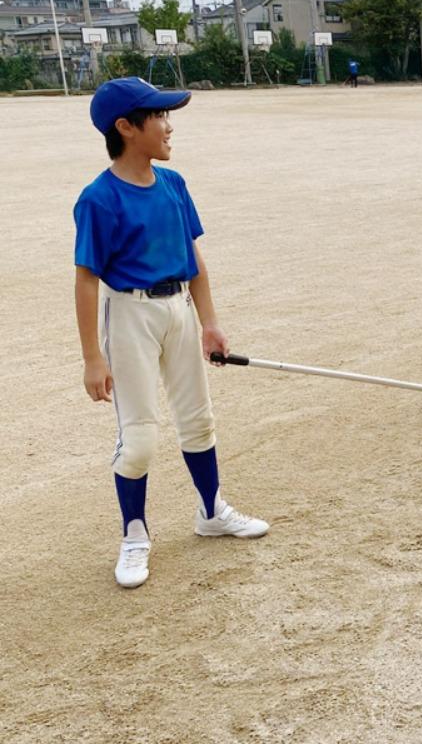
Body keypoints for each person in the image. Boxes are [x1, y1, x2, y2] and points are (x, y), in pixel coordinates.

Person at [73, 77, 269, 589]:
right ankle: (134, 536)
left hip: (178, 308)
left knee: (198, 421)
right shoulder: (98, 199)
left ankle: (211, 512)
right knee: (138, 440)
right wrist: (94, 357)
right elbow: (86, 280)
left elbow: (195, 258)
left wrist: (210, 323)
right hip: (131, 316)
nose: (168, 125)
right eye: (158, 116)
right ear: (126, 127)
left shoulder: (174, 184)